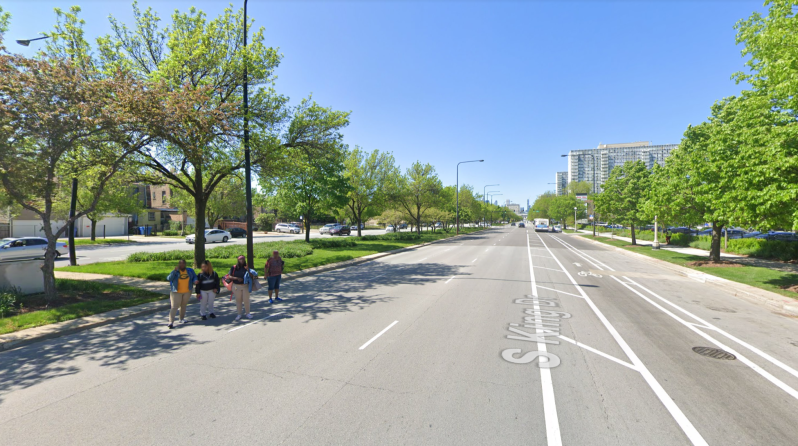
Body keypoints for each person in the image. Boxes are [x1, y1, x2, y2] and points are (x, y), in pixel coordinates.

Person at [166, 259, 197, 329]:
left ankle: (181, 318)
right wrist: (174, 271)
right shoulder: (176, 271)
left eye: (183, 263)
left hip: (187, 291)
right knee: (174, 307)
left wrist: (195, 280)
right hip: (176, 292)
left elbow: (194, 277)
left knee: (183, 305)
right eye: (180, 263)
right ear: (178, 264)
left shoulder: (189, 271)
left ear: (185, 264)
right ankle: (170, 322)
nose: (181, 265)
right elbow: (169, 278)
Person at [229, 255, 257, 321]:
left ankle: (248, 313)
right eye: (240, 259)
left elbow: (252, 276)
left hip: (245, 286)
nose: (241, 261)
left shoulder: (246, 267)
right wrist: (237, 278)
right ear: (238, 260)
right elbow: (229, 276)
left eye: (243, 259)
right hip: (236, 286)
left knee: (246, 300)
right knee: (238, 300)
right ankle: (239, 314)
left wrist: (248, 269)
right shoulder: (234, 267)